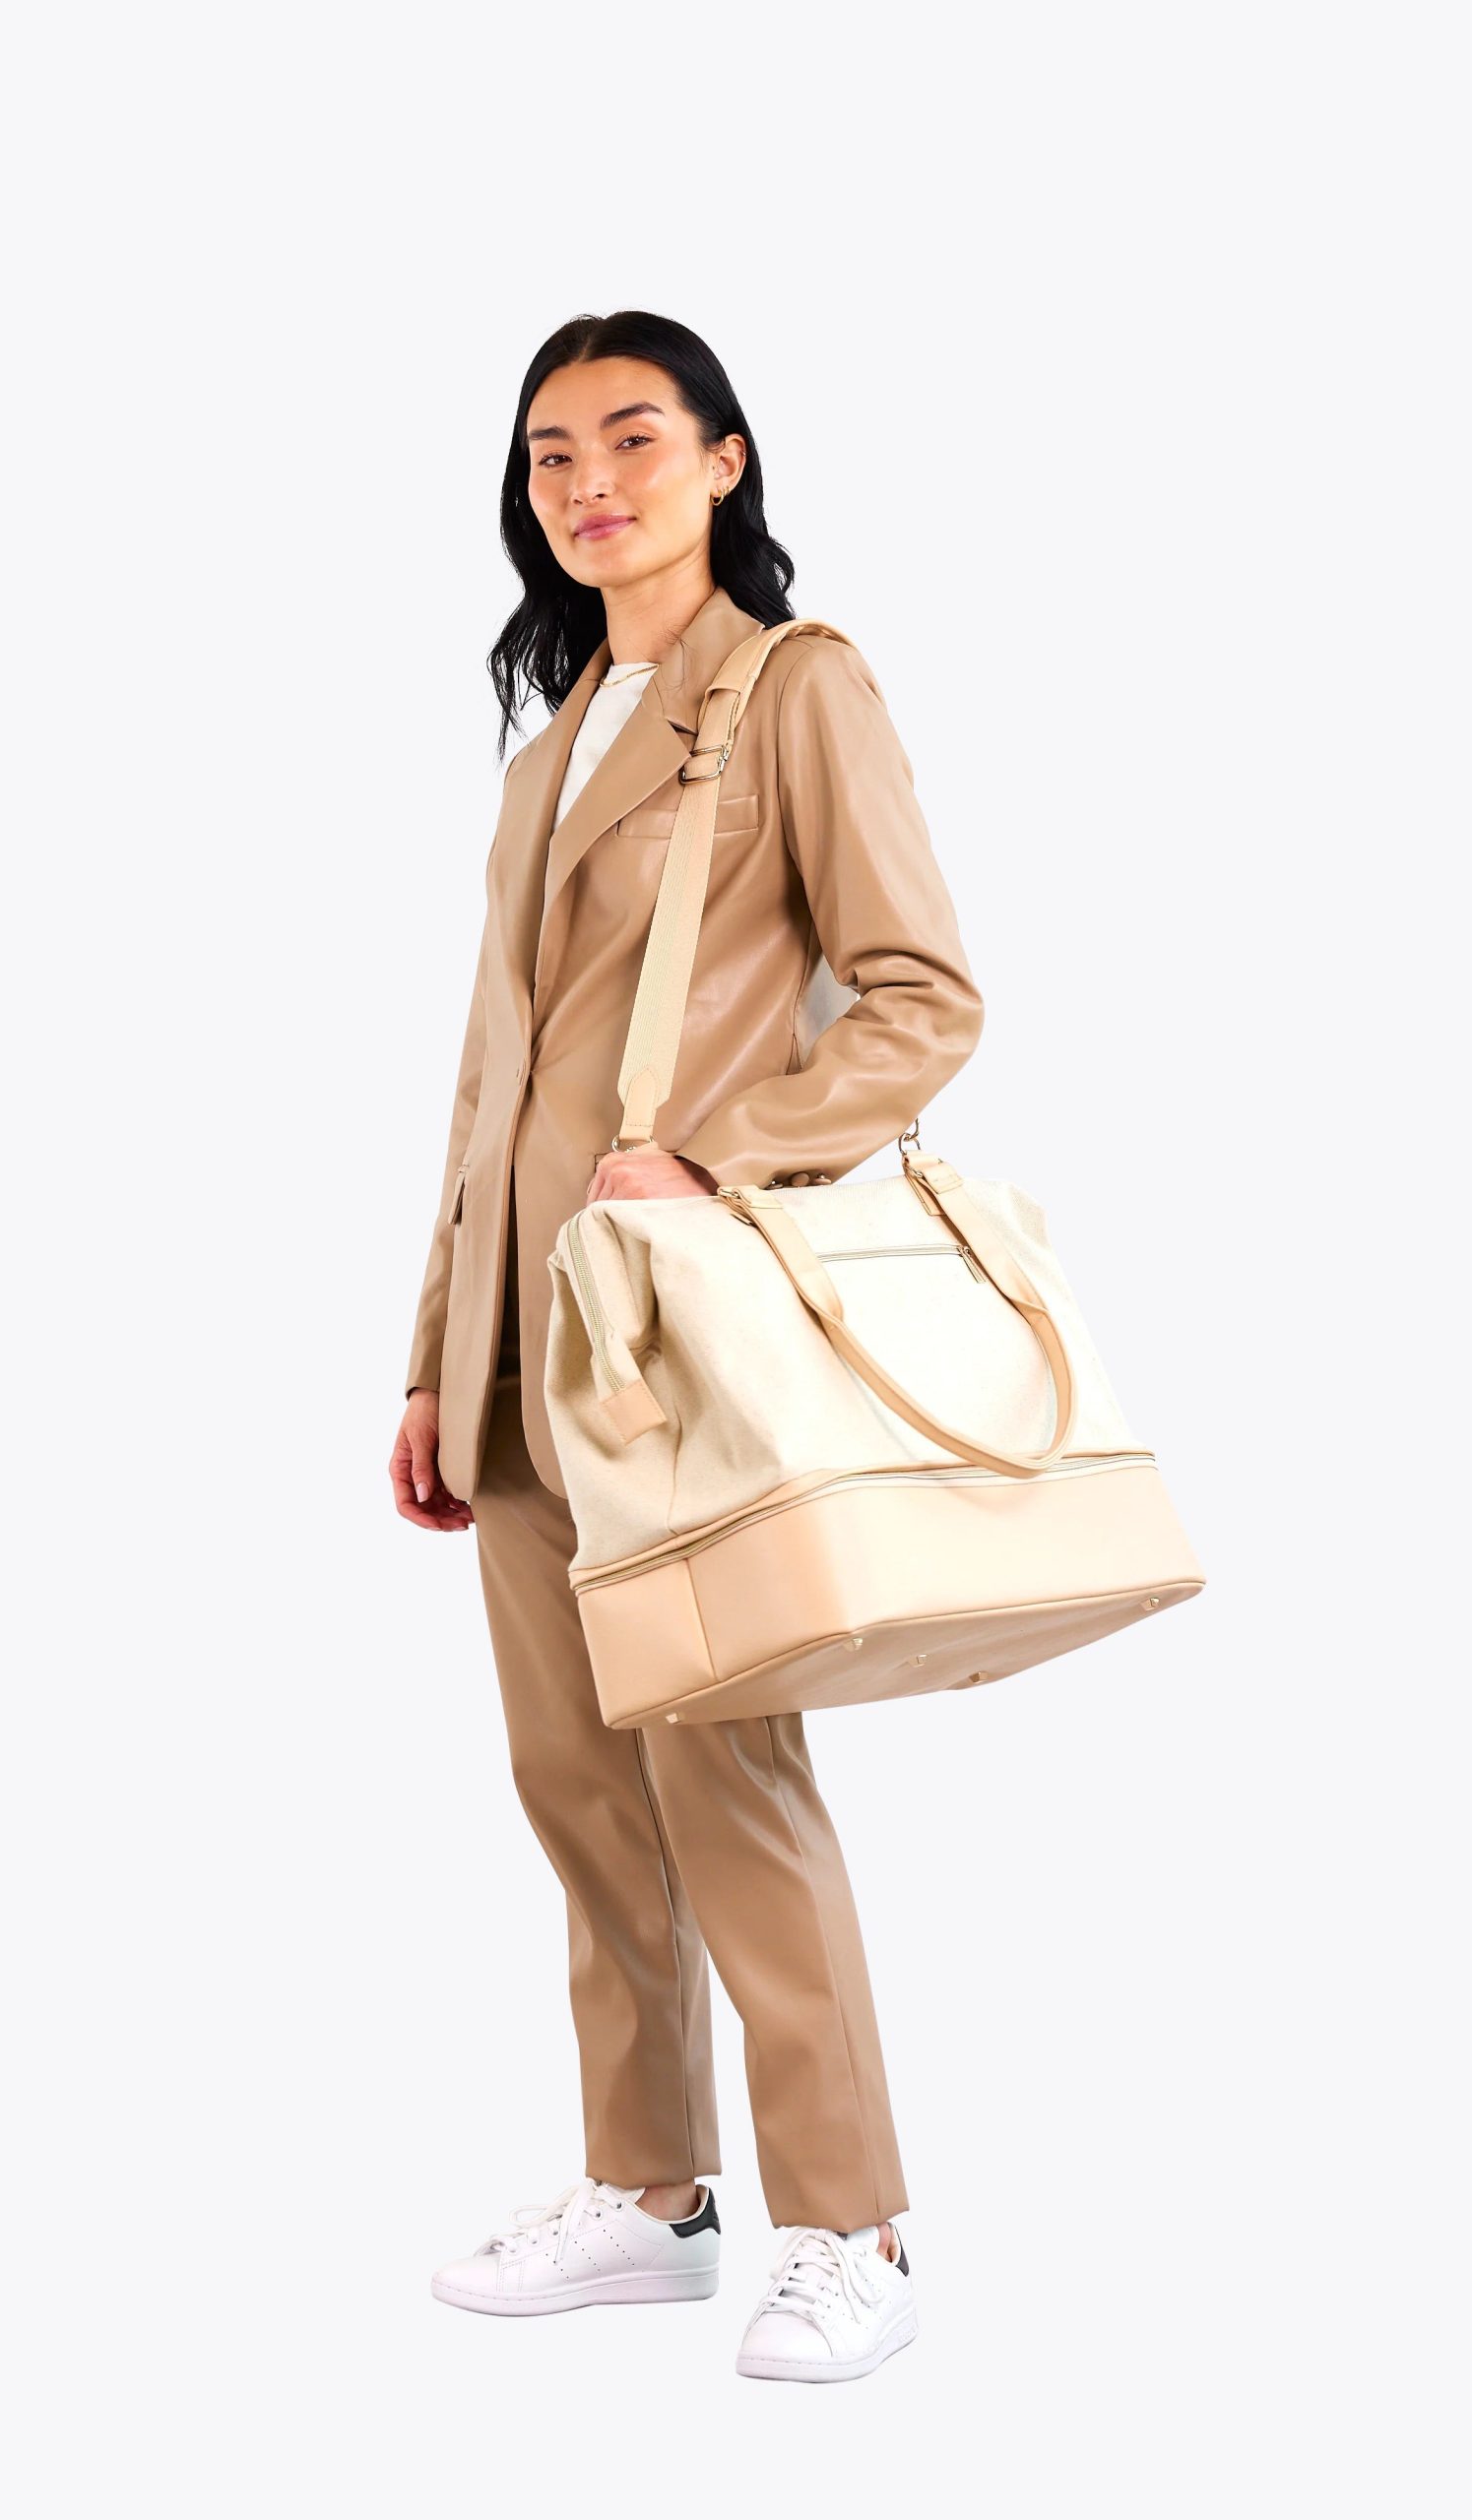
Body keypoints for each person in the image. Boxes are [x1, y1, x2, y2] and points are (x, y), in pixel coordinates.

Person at [389, 309, 985, 2384]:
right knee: (577, 1784)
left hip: (678, 1334)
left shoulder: (794, 689)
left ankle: (852, 2219)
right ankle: (649, 2195)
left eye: (632, 437)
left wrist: (717, 1155)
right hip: (522, 1340)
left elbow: (921, 997)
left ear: (725, 459)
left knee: (726, 1764)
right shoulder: (552, 743)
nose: (587, 484)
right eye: (549, 453)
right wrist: (432, 1353)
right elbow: (490, 1086)